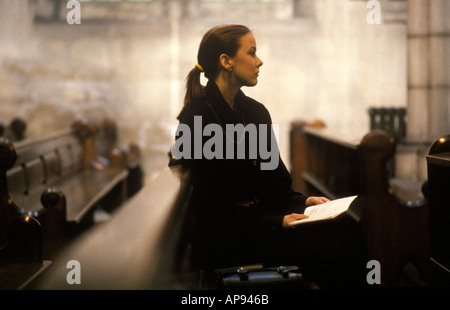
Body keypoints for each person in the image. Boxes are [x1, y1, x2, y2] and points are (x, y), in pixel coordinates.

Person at [170, 24, 369, 288]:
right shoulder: (196, 118)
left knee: (348, 228)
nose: (259, 61)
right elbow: (206, 209)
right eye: (252, 53)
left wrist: (304, 202)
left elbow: (276, 186)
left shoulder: (255, 112)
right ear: (226, 61)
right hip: (227, 238)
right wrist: (276, 222)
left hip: (262, 225)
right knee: (335, 246)